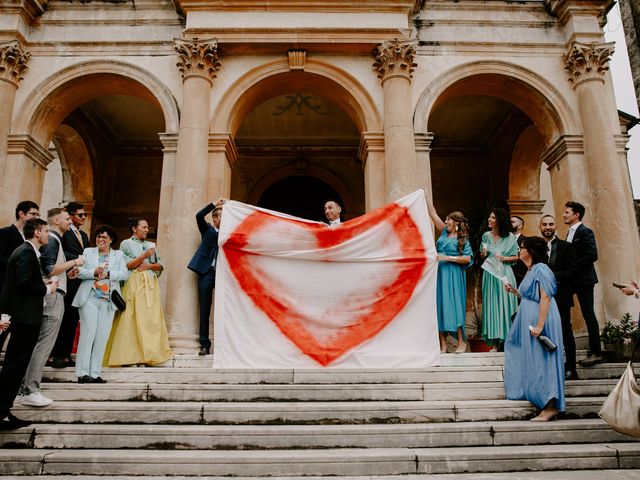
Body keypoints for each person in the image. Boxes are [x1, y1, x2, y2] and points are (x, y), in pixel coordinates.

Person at [20, 208, 85, 407]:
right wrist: (76, 261)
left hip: (52, 293)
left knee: (41, 343)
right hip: (53, 296)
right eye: (67, 219)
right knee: (44, 344)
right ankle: (30, 389)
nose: (71, 222)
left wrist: (68, 273)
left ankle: (27, 387)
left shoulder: (55, 240)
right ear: (57, 220)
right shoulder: (54, 240)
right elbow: (48, 269)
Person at [0, 219, 55, 429]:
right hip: (24, 317)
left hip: (24, 316)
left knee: (15, 365)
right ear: (37, 232)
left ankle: (4, 410)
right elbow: (23, 283)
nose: (48, 235)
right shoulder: (25, 252)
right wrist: (47, 289)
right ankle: (2, 411)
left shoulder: (26, 251)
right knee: (15, 365)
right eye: (47, 231)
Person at [503, 236, 565, 422]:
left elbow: (545, 297)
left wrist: (540, 325)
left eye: (521, 247)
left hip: (541, 320)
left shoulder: (541, 269)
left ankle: (550, 406)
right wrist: (514, 291)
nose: (519, 251)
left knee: (543, 360)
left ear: (530, 251)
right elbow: (529, 295)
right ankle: (535, 395)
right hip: (528, 319)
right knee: (527, 355)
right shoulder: (530, 270)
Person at [104, 218, 172, 367]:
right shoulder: (126, 243)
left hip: (150, 285)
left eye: (148, 227)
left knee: (149, 320)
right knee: (131, 319)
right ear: (134, 229)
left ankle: (146, 356)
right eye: (144, 227)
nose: (147, 230)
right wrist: (143, 256)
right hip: (133, 284)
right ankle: (129, 357)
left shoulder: (151, 245)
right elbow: (127, 265)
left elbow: (160, 265)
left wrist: (148, 265)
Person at [72, 225, 129, 383]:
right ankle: (83, 373)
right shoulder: (88, 252)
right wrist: (94, 272)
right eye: (98, 236)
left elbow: (125, 274)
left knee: (102, 336)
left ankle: (95, 373)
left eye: (104, 237)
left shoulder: (118, 255)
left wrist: (108, 273)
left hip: (109, 301)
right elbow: (79, 271)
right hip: (89, 298)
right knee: (88, 333)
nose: (100, 240)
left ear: (111, 240)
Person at [428, 203, 473, 353]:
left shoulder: (463, 239)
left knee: (455, 306)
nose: (446, 222)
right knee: (439, 305)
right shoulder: (444, 234)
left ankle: (461, 342)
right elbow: (433, 213)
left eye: (448, 220)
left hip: (454, 274)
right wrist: (425, 196)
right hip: (439, 273)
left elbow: (467, 258)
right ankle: (443, 344)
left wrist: (447, 258)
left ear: (456, 223)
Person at [539, 214, 579, 380]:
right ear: (540, 227)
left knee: (565, 331)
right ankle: (547, 368)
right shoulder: (536, 247)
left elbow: (573, 271)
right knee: (543, 331)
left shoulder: (566, 247)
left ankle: (571, 368)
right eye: (544, 224)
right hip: (540, 297)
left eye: (551, 224)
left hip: (561, 296)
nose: (548, 227)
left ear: (556, 227)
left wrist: (552, 276)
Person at [563, 201, 603, 366]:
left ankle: (596, 352)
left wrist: (573, 267)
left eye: (567, 212)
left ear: (576, 214)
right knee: (562, 308)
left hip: (584, 280)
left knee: (588, 313)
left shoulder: (585, 231)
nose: (564, 215)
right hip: (571, 280)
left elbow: (592, 255)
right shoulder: (569, 233)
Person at [51, 202, 90, 368]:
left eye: (84, 215)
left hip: (79, 280)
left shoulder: (85, 236)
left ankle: (66, 354)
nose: (83, 217)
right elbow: (61, 253)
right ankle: (56, 354)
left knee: (73, 318)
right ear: (71, 216)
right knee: (63, 317)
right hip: (67, 278)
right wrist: (78, 258)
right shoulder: (64, 234)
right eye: (80, 215)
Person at [0, 201, 40, 354]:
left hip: (22, 298)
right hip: (5, 289)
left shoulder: (30, 239)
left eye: (38, 215)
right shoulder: (5, 233)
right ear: (21, 214)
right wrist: (19, 264)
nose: (36, 217)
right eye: (33, 214)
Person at [188, 198, 225, 355]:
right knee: (204, 309)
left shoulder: (229, 235)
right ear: (215, 218)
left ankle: (225, 344)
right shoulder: (208, 230)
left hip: (224, 274)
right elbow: (198, 215)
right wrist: (215, 204)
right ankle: (204, 344)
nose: (224, 221)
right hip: (206, 273)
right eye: (222, 217)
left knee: (226, 308)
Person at [480, 207, 519, 351]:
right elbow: (483, 255)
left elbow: (516, 257)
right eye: (489, 217)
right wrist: (483, 253)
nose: (489, 220)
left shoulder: (509, 237)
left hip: (504, 274)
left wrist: (504, 258)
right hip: (490, 275)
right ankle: (495, 343)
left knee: (506, 305)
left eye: (493, 217)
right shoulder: (485, 236)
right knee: (492, 307)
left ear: (500, 220)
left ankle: (509, 340)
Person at [510, 215, 527, 286]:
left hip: (520, 280)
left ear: (520, 226)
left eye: (512, 222)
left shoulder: (526, 241)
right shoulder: (502, 241)